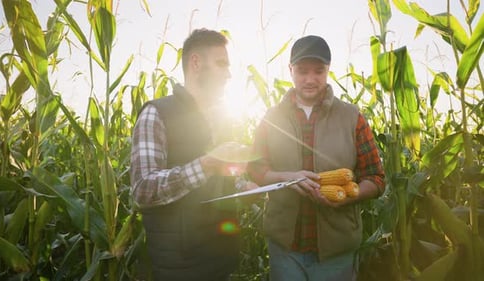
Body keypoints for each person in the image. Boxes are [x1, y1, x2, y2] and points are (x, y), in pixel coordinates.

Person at [247, 35, 385, 281]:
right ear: (290, 71)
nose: (310, 79)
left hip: (336, 252)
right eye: (302, 71)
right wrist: (286, 178)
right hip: (285, 249)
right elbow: (256, 170)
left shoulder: (352, 117)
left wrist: (348, 195)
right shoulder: (271, 118)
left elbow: (376, 178)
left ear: (328, 71)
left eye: (318, 71)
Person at [130, 28, 256, 281]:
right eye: (221, 64)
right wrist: (206, 165)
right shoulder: (157, 114)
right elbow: (143, 189)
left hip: (220, 260)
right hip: (181, 267)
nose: (228, 74)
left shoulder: (221, 118)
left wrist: (246, 187)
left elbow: (222, 179)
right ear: (196, 63)